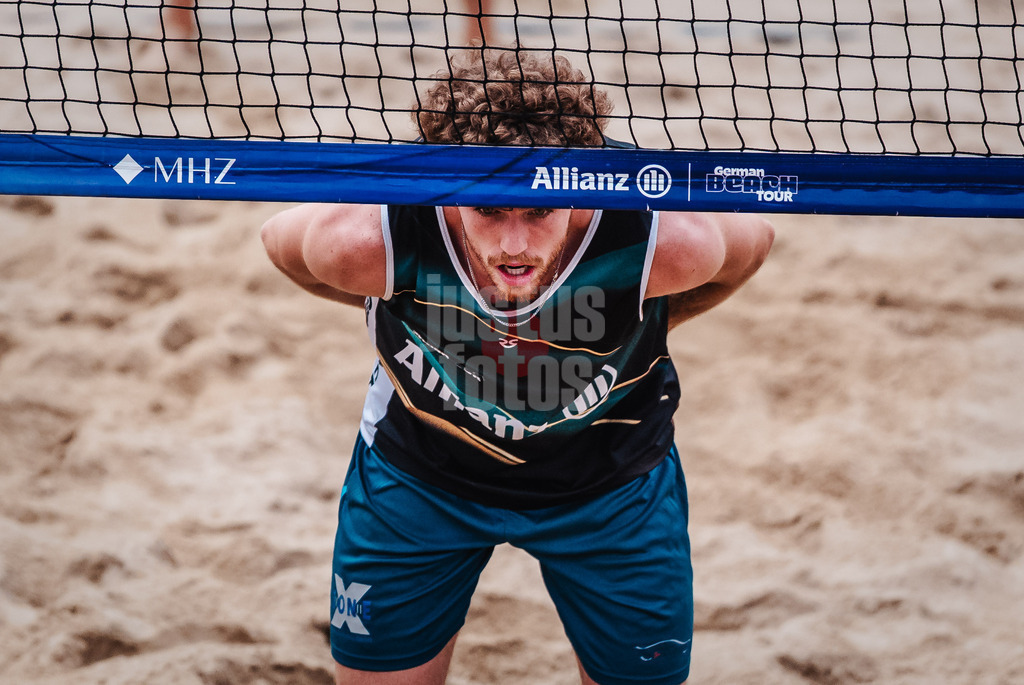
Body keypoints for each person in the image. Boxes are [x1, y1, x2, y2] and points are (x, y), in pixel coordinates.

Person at [261, 49, 774, 685]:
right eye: (489, 208)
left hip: (611, 483)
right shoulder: (368, 242)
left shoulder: (664, 243)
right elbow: (279, 247)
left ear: (581, 187)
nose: (513, 244)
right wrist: (386, 307)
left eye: (538, 210)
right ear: (448, 193)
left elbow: (752, 249)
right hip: (421, 475)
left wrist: (656, 320)